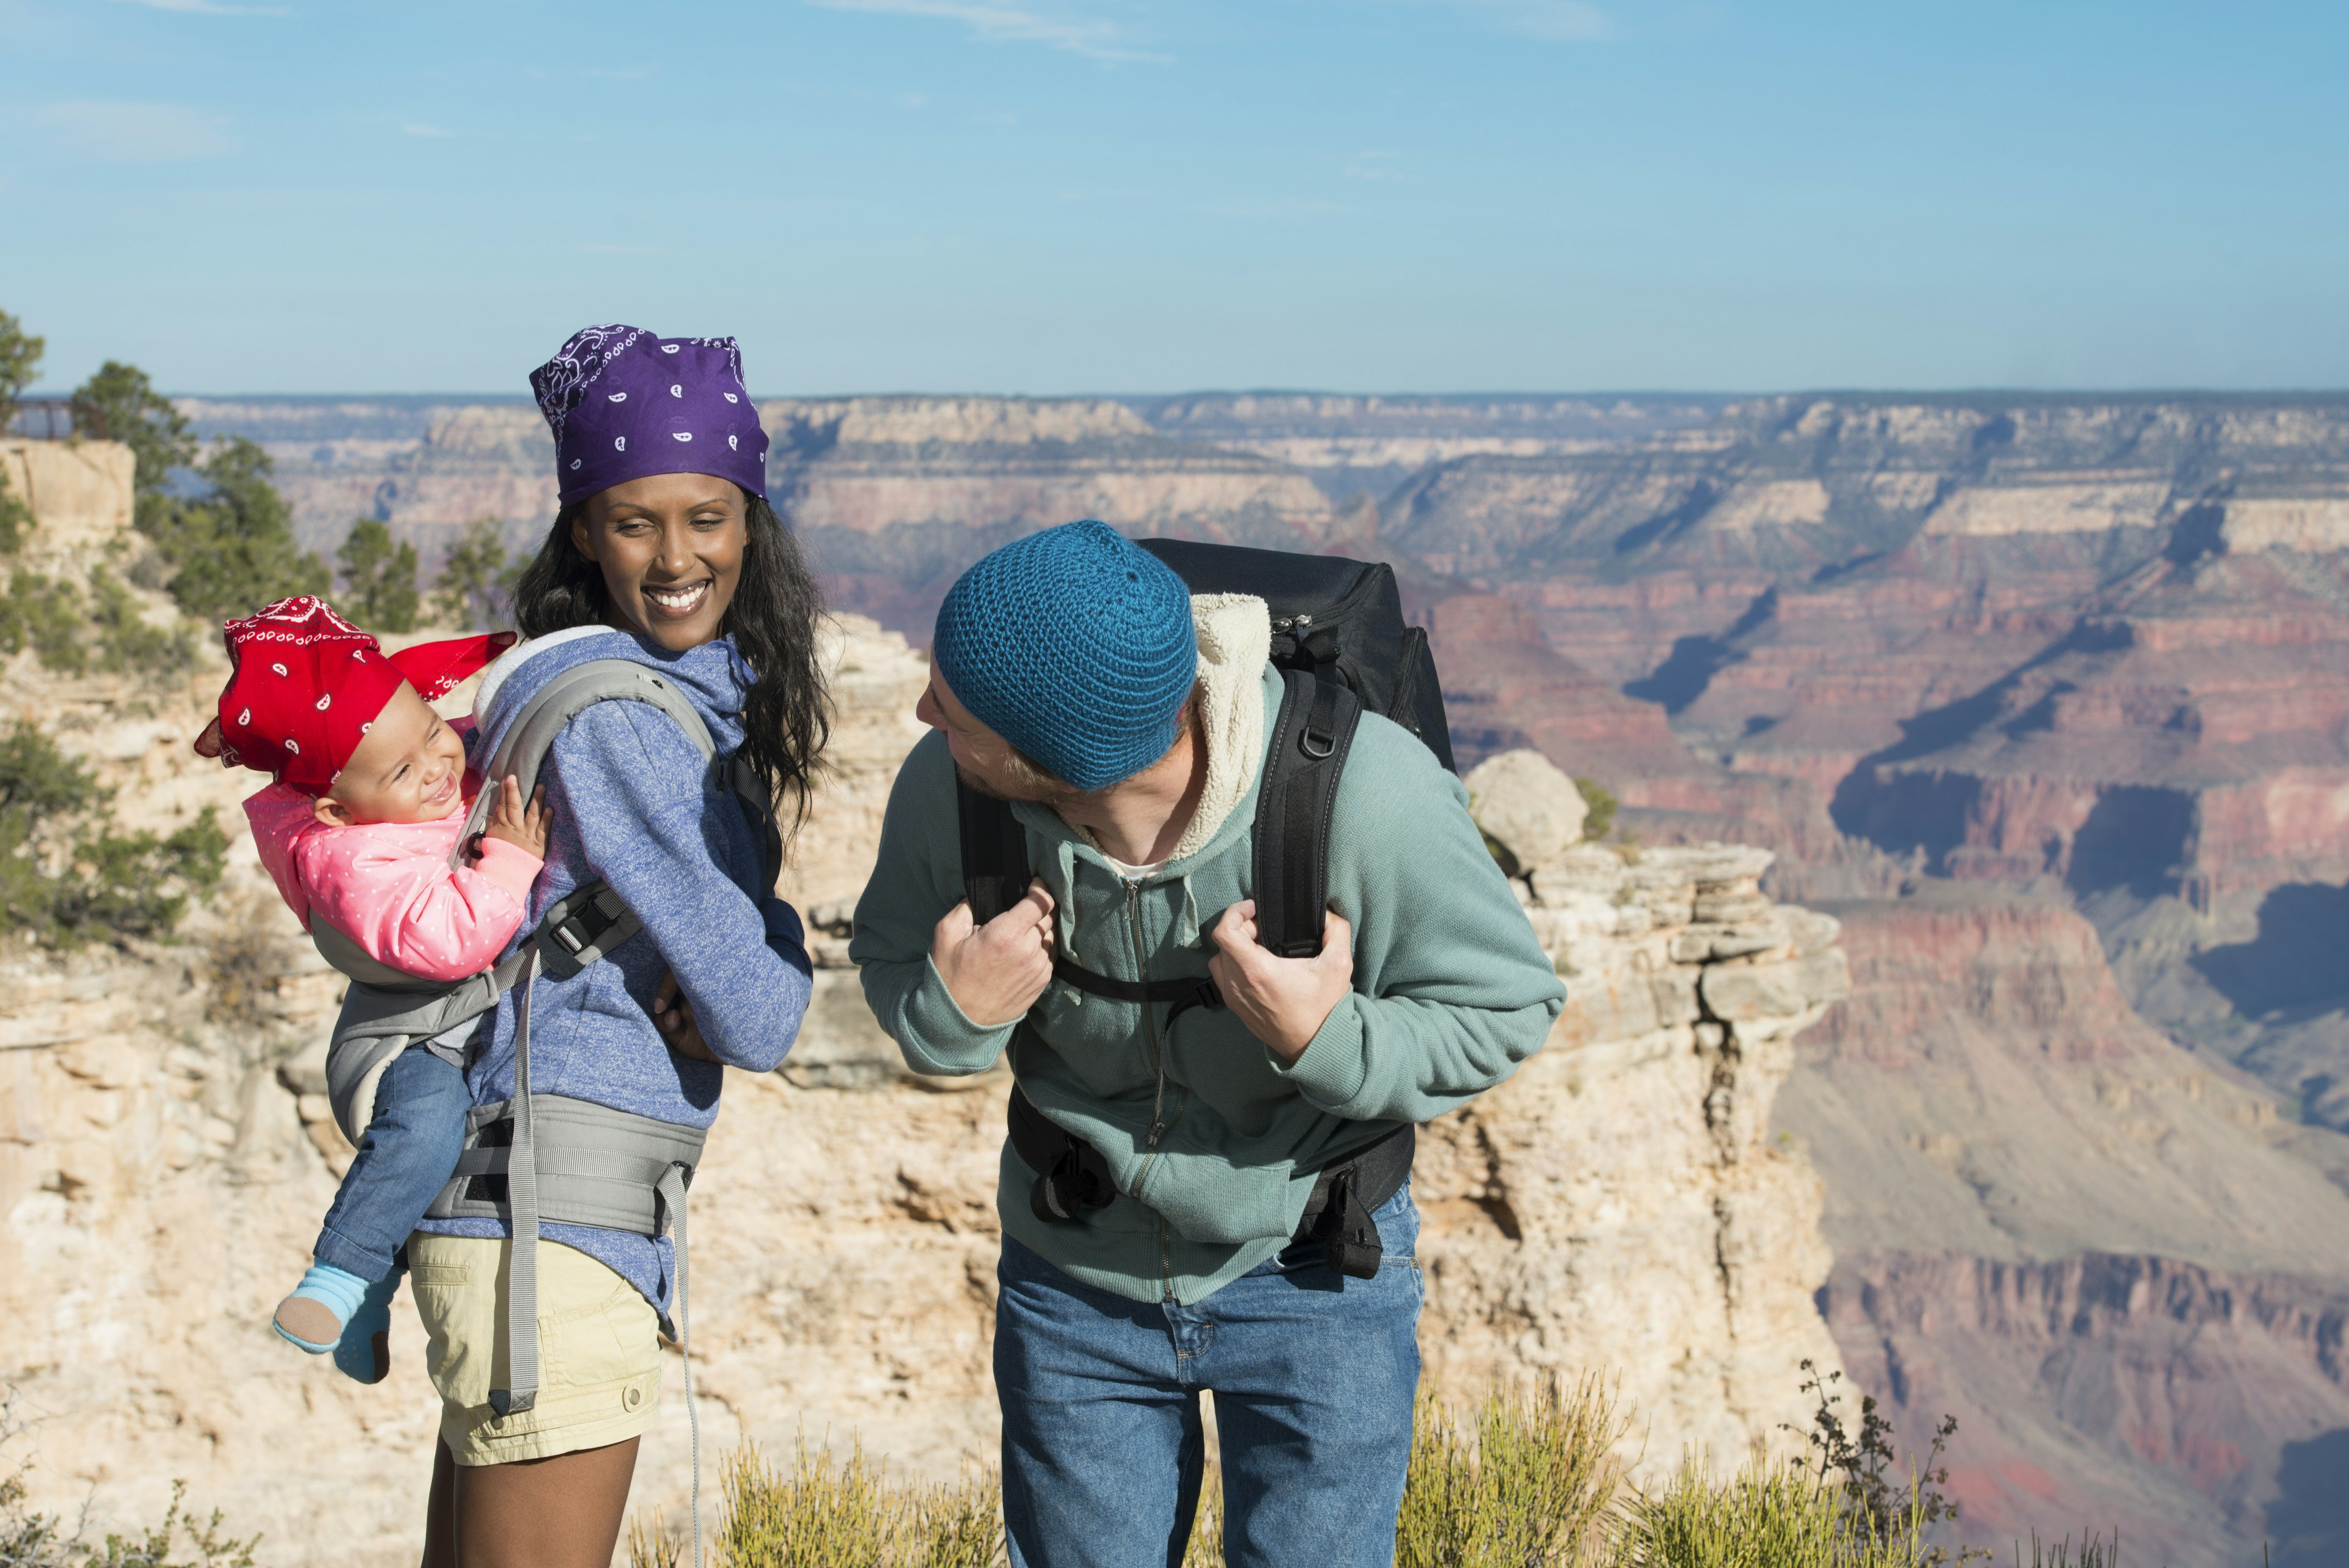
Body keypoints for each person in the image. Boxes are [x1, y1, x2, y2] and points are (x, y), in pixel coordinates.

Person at [850, 519, 1568, 1568]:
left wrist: (1327, 1036)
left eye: (953, 711)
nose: (925, 715)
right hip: (1074, 1279)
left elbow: (1507, 1006)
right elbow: (892, 961)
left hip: (1315, 1272)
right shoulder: (952, 788)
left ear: (1054, 757)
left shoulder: (1361, 794)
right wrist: (957, 1009)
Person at [406, 324, 829, 1568]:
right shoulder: (621, 723)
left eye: (708, 516)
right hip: (558, 1228)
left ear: (751, 518)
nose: (677, 557)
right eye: (634, 521)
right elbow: (760, 1015)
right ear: (583, 531)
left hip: (529, 1211)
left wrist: (738, 945)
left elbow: (732, 943)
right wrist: (757, 965)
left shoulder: (627, 690)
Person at [194, 598, 535, 1384]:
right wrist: (511, 859)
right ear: (335, 809)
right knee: (428, 1127)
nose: (440, 767)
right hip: (401, 1043)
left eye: (433, 731)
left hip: (445, 1025)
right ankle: (339, 1274)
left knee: (439, 1146)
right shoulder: (350, 863)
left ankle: (372, 1299)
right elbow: (450, 941)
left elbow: (444, 745)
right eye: (404, 770)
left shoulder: (406, 776)